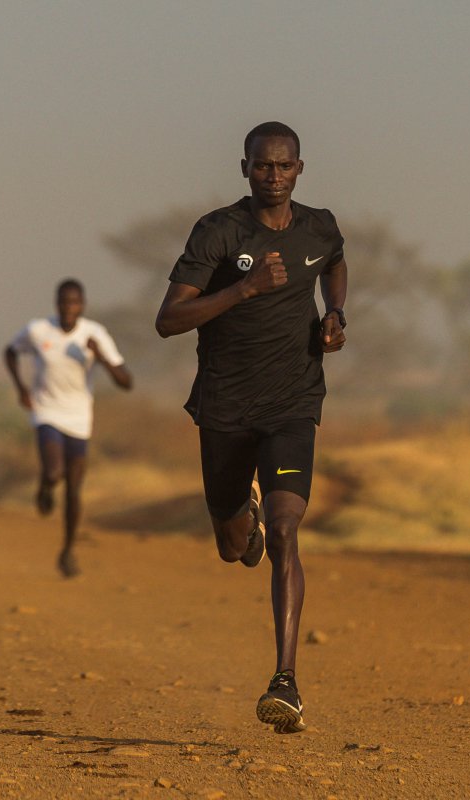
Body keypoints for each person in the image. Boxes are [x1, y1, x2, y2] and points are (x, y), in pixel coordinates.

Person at [153, 121, 347, 734]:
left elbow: (335, 263)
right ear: (245, 169)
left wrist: (336, 314)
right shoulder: (218, 231)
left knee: (289, 531)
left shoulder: (320, 227)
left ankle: (285, 681)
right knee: (233, 546)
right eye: (263, 166)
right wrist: (244, 289)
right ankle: (244, 520)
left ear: (300, 169)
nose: (274, 176)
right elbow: (168, 319)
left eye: (284, 166)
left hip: (292, 402)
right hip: (225, 409)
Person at [4, 279, 133, 578]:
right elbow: (10, 351)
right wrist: (21, 388)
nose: (69, 308)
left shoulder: (94, 334)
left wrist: (100, 357)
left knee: (74, 490)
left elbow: (126, 382)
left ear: (82, 305)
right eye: (64, 302)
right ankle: (46, 484)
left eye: (74, 303)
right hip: (46, 412)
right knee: (54, 472)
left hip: (79, 419)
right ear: (57, 304)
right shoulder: (38, 330)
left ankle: (67, 550)